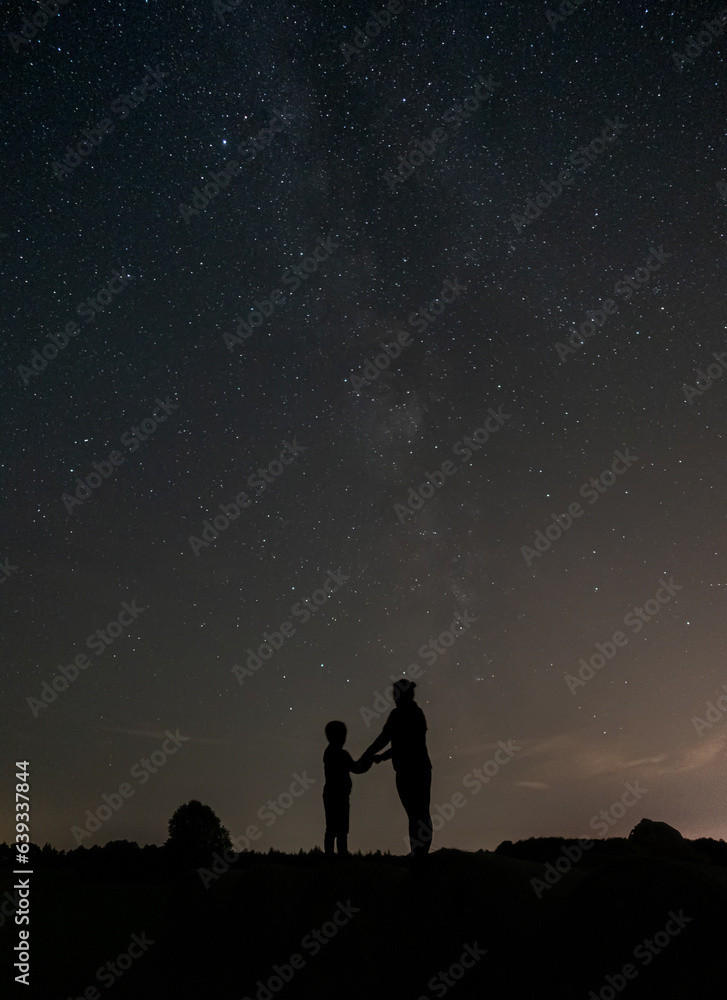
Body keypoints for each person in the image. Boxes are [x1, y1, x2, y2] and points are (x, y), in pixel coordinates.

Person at [363, 679, 433, 859]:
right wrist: (374, 755)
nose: (394, 698)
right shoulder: (406, 714)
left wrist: (373, 755)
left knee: (418, 813)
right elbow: (393, 740)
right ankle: (418, 852)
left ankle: (420, 853)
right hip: (410, 770)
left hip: (414, 770)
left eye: (395, 694)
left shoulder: (408, 714)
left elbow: (402, 743)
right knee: (416, 813)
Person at [322, 720, 372, 857]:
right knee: (341, 829)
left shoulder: (329, 752)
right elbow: (356, 768)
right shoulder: (341, 754)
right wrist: (369, 762)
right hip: (339, 796)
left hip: (331, 794)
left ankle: (331, 856)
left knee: (332, 828)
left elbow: (353, 765)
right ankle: (341, 856)